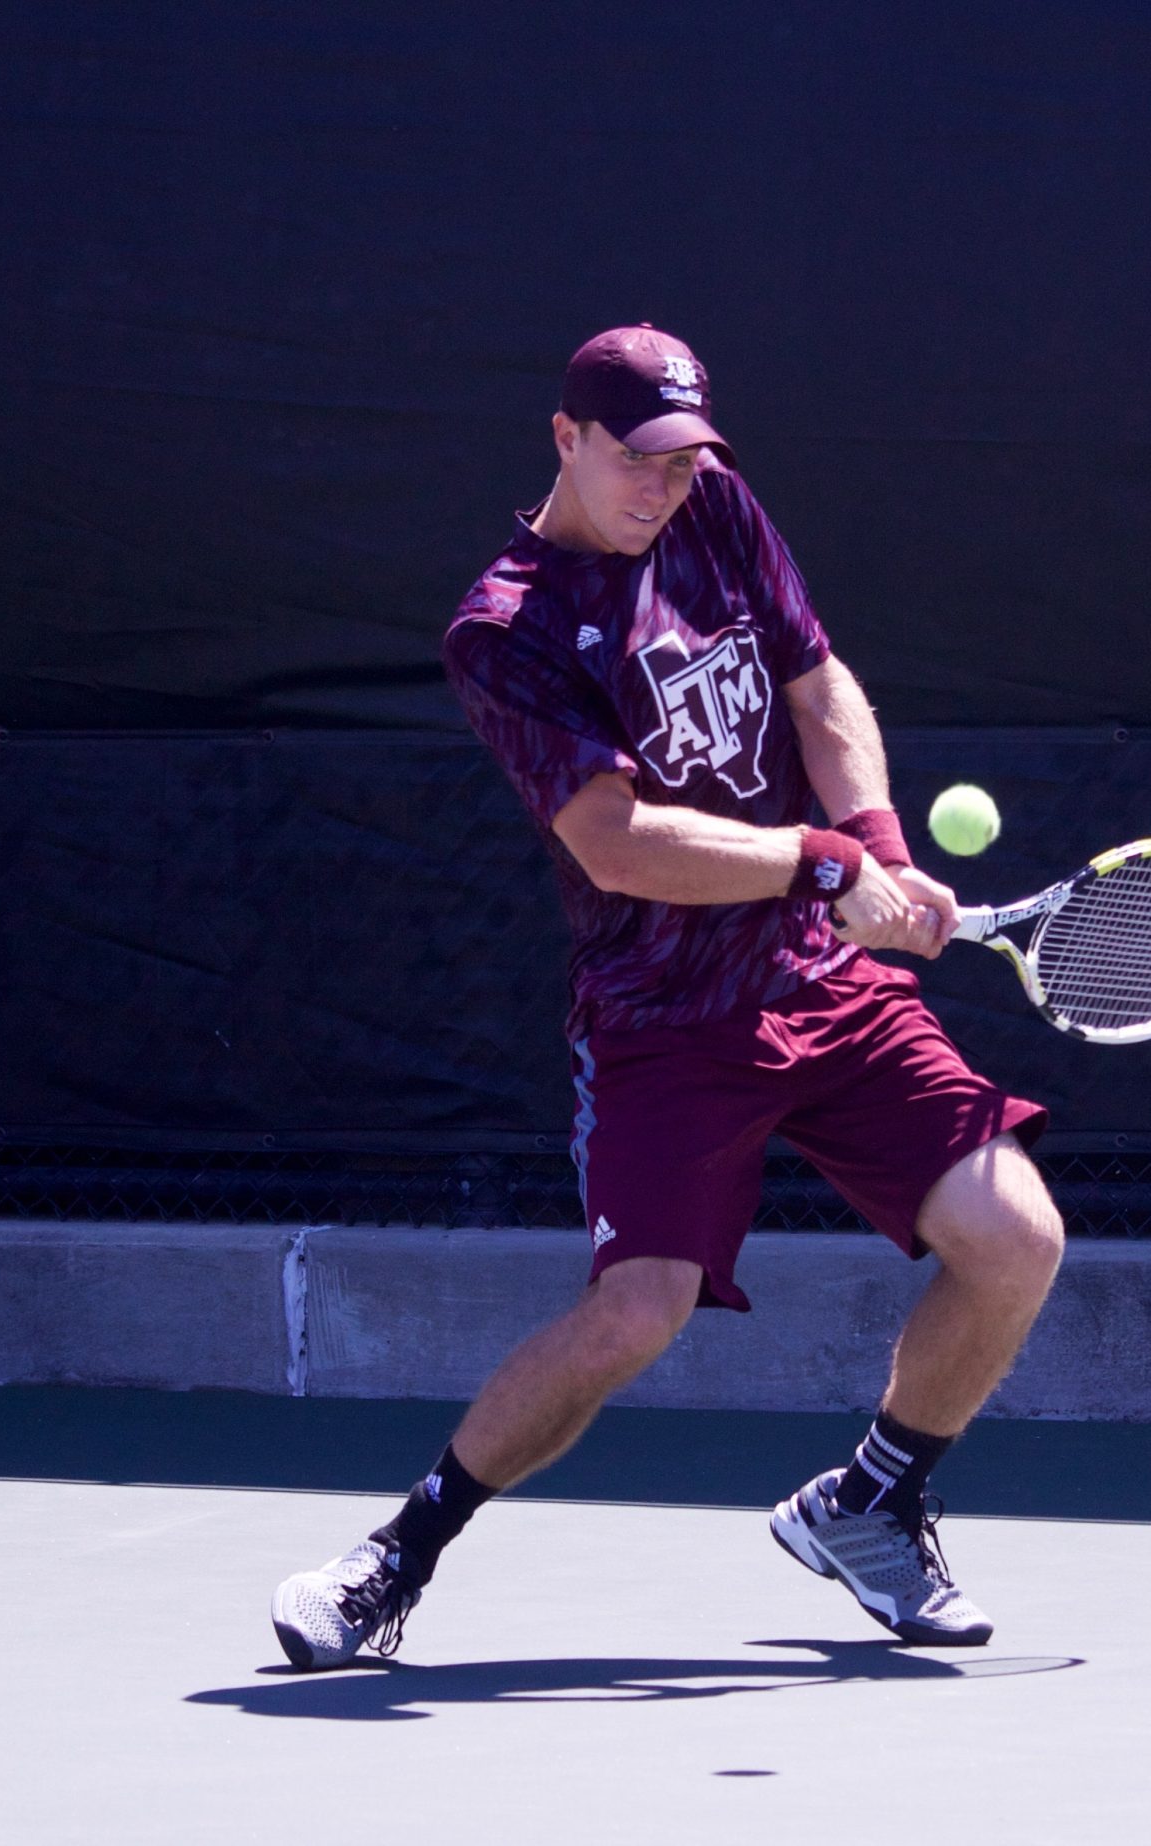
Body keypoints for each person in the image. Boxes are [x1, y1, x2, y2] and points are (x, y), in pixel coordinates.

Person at [271, 324, 1065, 1669]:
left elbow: (817, 684)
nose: (664, 485)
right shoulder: (503, 631)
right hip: (663, 1013)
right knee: (636, 1311)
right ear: (566, 438)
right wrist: (823, 868)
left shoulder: (718, 512)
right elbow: (617, 844)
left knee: (1017, 1235)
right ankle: (397, 1555)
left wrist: (874, 841)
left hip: (822, 982)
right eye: (638, 459)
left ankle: (874, 1498)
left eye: (685, 458)